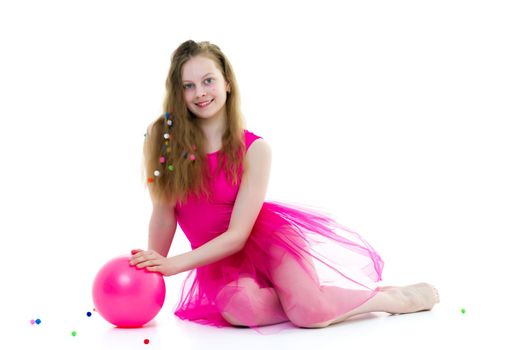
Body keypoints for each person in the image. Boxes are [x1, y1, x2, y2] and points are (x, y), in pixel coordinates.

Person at [130, 40, 440, 334]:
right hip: (216, 261)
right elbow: (163, 211)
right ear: (177, 91)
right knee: (241, 309)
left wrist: (173, 265)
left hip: (268, 242)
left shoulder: (255, 149)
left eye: (208, 80)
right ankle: (302, 299)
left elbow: (237, 236)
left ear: (227, 82)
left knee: (311, 316)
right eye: (189, 85)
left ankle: (390, 299)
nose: (200, 93)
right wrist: (152, 267)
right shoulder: (162, 136)